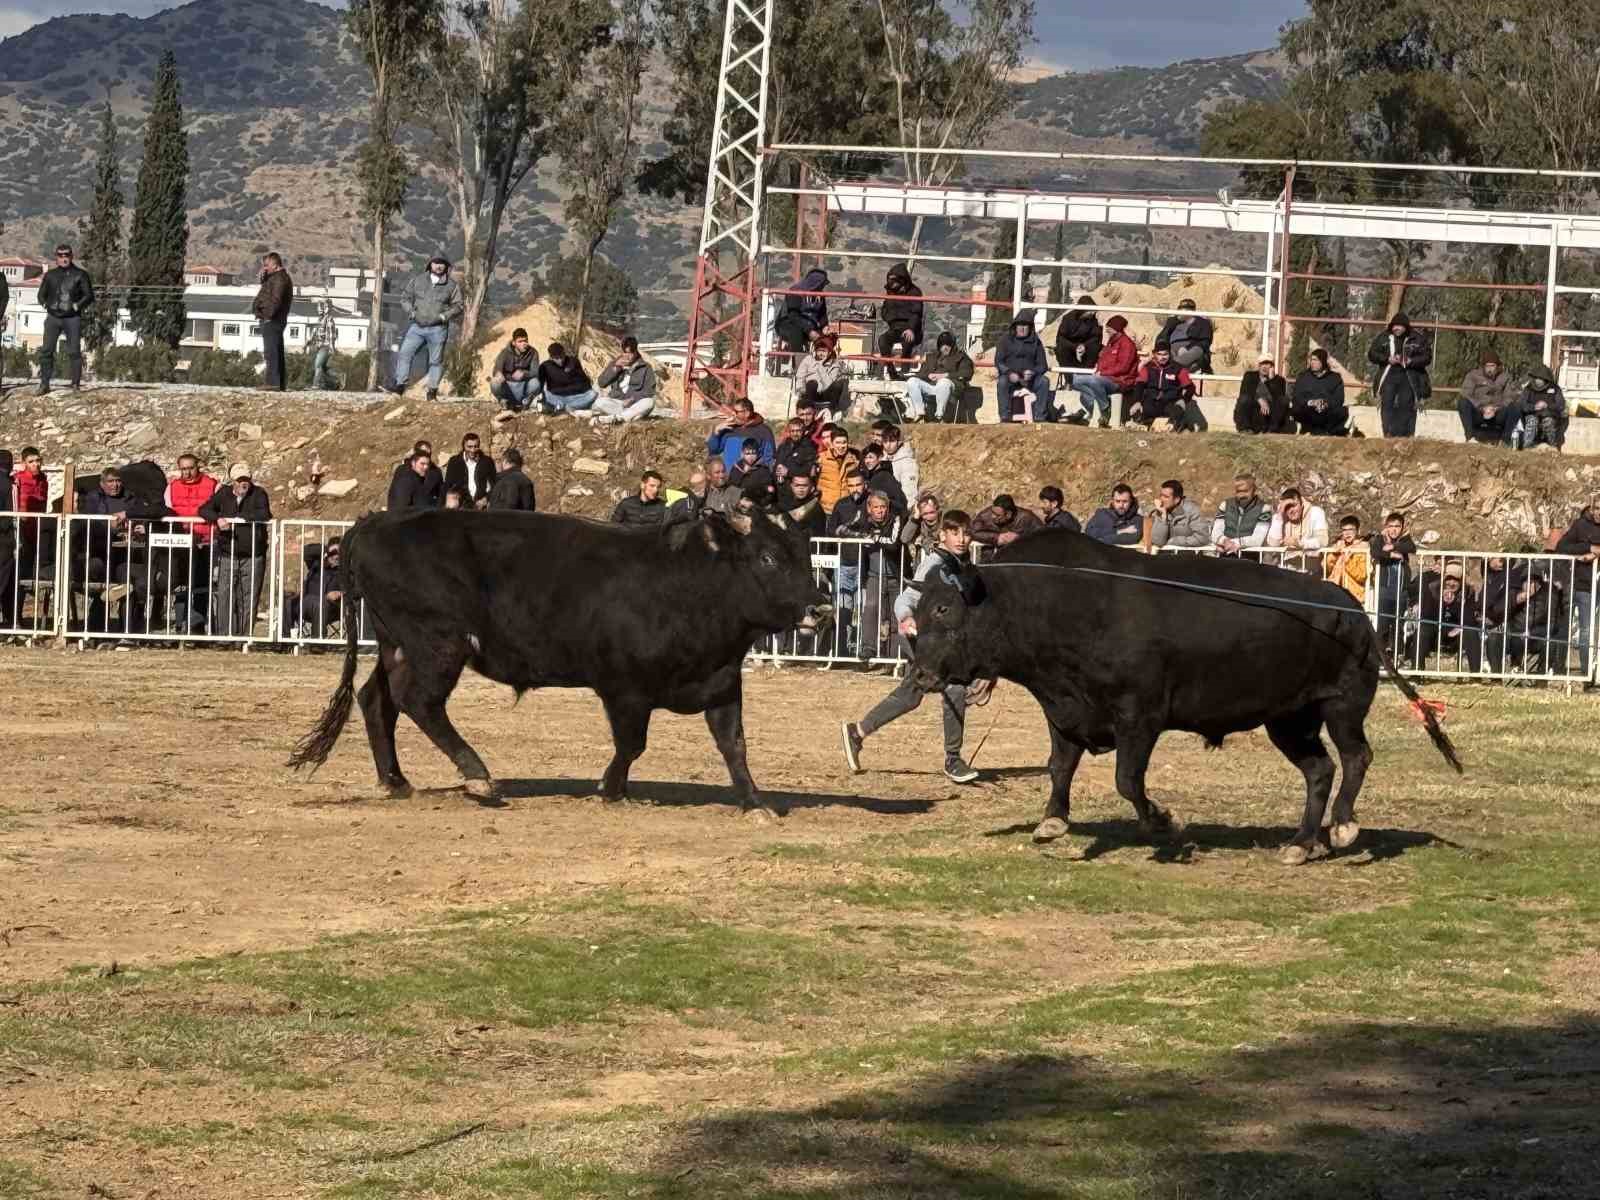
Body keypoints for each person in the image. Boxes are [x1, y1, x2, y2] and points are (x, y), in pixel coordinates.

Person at [840, 509, 985, 785]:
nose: (962, 538)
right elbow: (907, 597)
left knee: (910, 695)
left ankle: (857, 733)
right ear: (942, 534)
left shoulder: (960, 565)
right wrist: (905, 618)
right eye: (955, 532)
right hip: (918, 638)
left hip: (935, 641)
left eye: (966, 533)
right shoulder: (934, 564)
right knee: (954, 687)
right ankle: (953, 759)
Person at [75, 466, 159, 634]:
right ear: (102, 483)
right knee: (102, 576)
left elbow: (143, 514)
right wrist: (109, 526)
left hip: (126, 553)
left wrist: (136, 526)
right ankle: (96, 626)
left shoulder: (131, 498)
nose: (115, 485)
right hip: (98, 551)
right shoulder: (93, 498)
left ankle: (127, 628)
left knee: (127, 580)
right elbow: (85, 522)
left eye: (118, 481)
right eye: (110, 481)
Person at [198, 464, 272, 638]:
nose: (243, 483)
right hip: (227, 554)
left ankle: (244, 637)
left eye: (246, 479)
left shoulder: (259, 493)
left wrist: (240, 519)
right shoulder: (223, 494)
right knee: (225, 595)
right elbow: (204, 509)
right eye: (239, 480)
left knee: (249, 597)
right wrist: (218, 519)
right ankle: (225, 637)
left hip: (253, 555)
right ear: (232, 481)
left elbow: (265, 514)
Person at [838, 490, 905, 657]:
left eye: (883, 507)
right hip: (874, 574)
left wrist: (874, 538)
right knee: (871, 608)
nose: (880, 511)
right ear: (869, 508)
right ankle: (869, 648)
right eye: (876, 507)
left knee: (896, 614)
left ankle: (895, 654)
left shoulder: (895, 519)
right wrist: (863, 534)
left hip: (895, 575)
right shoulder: (862, 517)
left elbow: (893, 543)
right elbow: (840, 530)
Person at [388, 255, 463, 400]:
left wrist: (444, 317)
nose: (439, 266)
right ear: (430, 265)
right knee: (404, 354)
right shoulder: (418, 280)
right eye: (436, 263)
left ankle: (432, 392)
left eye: (442, 264)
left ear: (446, 267)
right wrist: (412, 312)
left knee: (435, 361)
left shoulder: (452, 286)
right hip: (417, 327)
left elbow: (458, 306)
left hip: (438, 329)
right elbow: (405, 298)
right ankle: (399, 387)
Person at [35, 243, 95, 396]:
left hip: (72, 318)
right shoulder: (50, 275)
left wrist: (76, 307)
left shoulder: (80, 274)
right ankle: (44, 384)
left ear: (71, 256)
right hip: (53, 318)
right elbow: (41, 294)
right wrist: (45, 304)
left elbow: (89, 295)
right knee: (47, 350)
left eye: (66, 255)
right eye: (60, 255)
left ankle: (75, 385)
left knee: (74, 351)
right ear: (56, 257)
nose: (64, 258)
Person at [1553, 495, 1600, 680]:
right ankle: (1573, 671)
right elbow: (1562, 547)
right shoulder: (1580, 525)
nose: (1598, 513)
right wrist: (1588, 548)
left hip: (1592, 584)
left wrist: (1596, 553)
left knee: (1589, 630)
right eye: (1596, 508)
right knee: (1575, 629)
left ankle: (1590, 672)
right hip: (1578, 583)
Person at [1405, 562, 1481, 673]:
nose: (1451, 583)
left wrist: (1454, 604)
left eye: (1455, 580)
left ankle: (1475, 675)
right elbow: (1426, 616)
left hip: (1457, 632)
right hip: (1435, 629)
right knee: (1422, 630)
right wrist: (1443, 603)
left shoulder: (1468, 592)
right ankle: (1417, 672)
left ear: (1461, 581)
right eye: (1448, 579)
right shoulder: (1433, 588)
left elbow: (1469, 619)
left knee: (1471, 632)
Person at [1367, 312, 1432, 438]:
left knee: (1406, 404)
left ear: (1406, 327)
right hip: (1389, 374)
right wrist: (1387, 359)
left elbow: (1427, 357)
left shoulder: (1417, 338)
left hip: (1409, 375)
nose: (1396, 328)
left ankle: (1405, 434)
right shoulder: (1384, 337)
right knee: (1387, 403)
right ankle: (1388, 433)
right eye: (1394, 326)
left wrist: (1410, 361)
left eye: (1399, 326)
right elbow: (1372, 354)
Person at [1068, 314, 1139, 428]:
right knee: (1076, 380)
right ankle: (1104, 402)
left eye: (1109, 329)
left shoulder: (1127, 344)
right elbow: (1102, 360)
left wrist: (1103, 373)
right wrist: (1099, 370)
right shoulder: (1111, 343)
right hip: (1105, 378)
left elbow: (1123, 367)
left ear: (1117, 330)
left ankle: (1105, 409)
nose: (1107, 331)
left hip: (1120, 381)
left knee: (1094, 381)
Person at [1368, 512, 1416, 656]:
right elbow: (1375, 552)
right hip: (1384, 590)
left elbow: (1411, 548)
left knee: (1398, 625)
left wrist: (1394, 546)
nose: (1394, 529)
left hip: (1400, 591)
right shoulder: (1379, 539)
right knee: (1382, 624)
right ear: (1386, 527)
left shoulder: (1405, 539)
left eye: (1397, 526)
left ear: (1402, 527)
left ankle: (1397, 656)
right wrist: (1391, 554)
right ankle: (1381, 657)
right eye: (1391, 526)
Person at [1125, 343, 1201, 432]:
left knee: (1177, 411)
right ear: (1154, 354)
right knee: (1137, 411)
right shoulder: (1148, 368)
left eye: (1165, 354)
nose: (1162, 357)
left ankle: (1176, 426)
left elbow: (1190, 388)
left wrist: (1184, 400)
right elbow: (1139, 385)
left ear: (1170, 354)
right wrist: (1137, 401)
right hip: (1152, 401)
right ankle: (1145, 424)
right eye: (1159, 354)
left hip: (1170, 402)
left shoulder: (1178, 369)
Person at [994, 311, 1051, 423]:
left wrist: (1033, 372)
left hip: (1030, 379)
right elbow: (999, 361)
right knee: (1002, 382)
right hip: (1011, 378)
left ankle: (1040, 417)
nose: (1022, 328)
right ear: (1015, 326)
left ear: (1030, 327)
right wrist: (1009, 373)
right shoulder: (1005, 340)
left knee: (1044, 381)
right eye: (1020, 325)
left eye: (1025, 325)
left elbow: (1043, 365)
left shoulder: (1036, 342)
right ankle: (1005, 417)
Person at [905, 332, 974, 423]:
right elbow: (920, 374)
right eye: (942, 345)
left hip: (950, 388)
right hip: (931, 386)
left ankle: (939, 416)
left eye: (948, 345)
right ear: (939, 345)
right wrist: (928, 375)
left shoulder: (961, 357)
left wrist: (946, 375)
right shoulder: (931, 357)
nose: (945, 347)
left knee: (943, 382)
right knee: (912, 381)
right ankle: (920, 413)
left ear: (952, 345)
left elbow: (967, 373)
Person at [287, 538, 345, 638]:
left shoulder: (344, 571)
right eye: (333, 553)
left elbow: (354, 587)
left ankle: (317, 643)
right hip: (305, 602)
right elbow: (306, 550)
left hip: (332, 606)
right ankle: (284, 641)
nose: (336, 556)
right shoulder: (317, 564)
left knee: (319, 603)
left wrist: (341, 593)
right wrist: (328, 549)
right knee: (286, 601)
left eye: (339, 554)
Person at [252, 252, 294, 391]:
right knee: (276, 350)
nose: (264, 268)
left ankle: (272, 383)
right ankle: (279, 383)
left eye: (267, 265)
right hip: (273, 319)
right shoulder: (275, 278)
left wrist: (268, 316)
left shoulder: (280, 279)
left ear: (275, 265)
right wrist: (264, 279)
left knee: (271, 352)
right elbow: (268, 293)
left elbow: (276, 300)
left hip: (273, 320)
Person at [591, 336, 657, 425]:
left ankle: (617, 418)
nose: (627, 356)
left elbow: (649, 391)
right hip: (617, 403)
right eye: (625, 353)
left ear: (636, 352)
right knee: (599, 402)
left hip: (635, 404)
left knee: (650, 402)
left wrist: (633, 399)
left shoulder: (646, 367)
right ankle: (626, 417)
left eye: (630, 353)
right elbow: (601, 383)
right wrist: (615, 368)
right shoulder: (615, 363)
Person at [1458, 351, 1519, 445]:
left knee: (1515, 407)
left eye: (1492, 366)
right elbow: (1466, 393)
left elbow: (1510, 396)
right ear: (1483, 366)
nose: (1489, 369)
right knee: (1463, 402)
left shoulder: (1505, 377)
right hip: (1479, 412)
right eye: (1487, 366)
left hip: (1497, 412)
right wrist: (1481, 408)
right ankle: (1469, 437)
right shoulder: (1473, 375)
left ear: (1498, 366)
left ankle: (1505, 440)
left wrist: (1496, 408)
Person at [878, 262, 924, 380]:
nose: (891, 283)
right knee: (882, 340)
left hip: (912, 329)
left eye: (894, 280)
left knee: (907, 340)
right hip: (895, 328)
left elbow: (916, 313)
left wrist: (911, 328)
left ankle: (904, 371)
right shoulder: (890, 292)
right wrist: (891, 319)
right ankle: (892, 372)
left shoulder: (915, 292)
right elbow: (884, 311)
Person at [707, 398, 776, 472]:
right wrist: (716, 433)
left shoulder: (763, 431)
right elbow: (713, 451)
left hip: (751, 479)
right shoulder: (729, 428)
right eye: (733, 410)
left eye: (736, 411)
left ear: (747, 413)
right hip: (729, 479)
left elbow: (769, 459)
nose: (733, 414)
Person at [1291, 349, 1349, 436]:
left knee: (1342, 411)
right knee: (1298, 409)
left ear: (1323, 361)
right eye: (1311, 360)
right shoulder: (1303, 377)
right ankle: (1322, 430)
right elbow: (1296, 397)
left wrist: (1325, 403)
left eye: (1316, 360)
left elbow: (1339, 399)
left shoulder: (1335, 378)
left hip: (1326, 410)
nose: (1312, 363)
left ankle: (1325, 430)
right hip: (1308, 410)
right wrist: (1311, 402)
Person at [1211, 474, 1271, 557]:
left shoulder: (1264, 508)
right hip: (1225, 557)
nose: (1242, 495)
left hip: (1249, 559)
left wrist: (1235, 543)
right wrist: (1224, 541)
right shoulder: (1225, 505)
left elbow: (1258, 538)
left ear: (1254, 490)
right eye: (1238, 491)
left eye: (1245, 491)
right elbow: (1215, 533)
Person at [970, 493, 1044, 560]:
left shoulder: (1027, 517)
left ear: (1008, 514)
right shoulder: (985, 515)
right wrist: (996, 538)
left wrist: (1019, 539)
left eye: (997, 515)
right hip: (989, 561)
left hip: (1017, 563)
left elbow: (1043, 536)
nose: (992, 516)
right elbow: (972, 531)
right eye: (992, 512)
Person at [774, 266, 830, 354]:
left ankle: (822, 363)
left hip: (809, 326)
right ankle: (798, 362)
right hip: (787, 325)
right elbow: (793, 316)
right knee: (796, 331)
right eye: (822, 285)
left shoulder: (820, 295)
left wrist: (825, 326)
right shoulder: (795, 291)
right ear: (816, 284)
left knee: (828, 337)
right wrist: (809, 331)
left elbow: (822, 314)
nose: (822, 287)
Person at [793, 333, 850, 418]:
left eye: (824, 351)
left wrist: (820, 367)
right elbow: (800, 376)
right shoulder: (808, 360)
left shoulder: (835, 364)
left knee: (839, 384)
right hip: (810, 392)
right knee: (812, 382)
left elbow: (829, 384)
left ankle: (831, 412)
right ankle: (810, 411)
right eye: (819, 350)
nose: (821, 353)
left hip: (826, 392)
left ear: (829, 352)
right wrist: (799, 389)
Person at [1266, 488, 1330, 558]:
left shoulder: (1315, 512)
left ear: (1301, 503)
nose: (1291, 510)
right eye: (1287, 507)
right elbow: (1273, 545)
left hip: (1309, 566)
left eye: (1293, 505)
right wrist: (1279, 517)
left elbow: (1323, 541)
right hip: (1285, 566)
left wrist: (1299, 543)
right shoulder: (1279, 516)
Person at [1233, 358, 1292, 434]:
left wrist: (1271, 380)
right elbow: (1245, 392)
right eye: (1262, 364)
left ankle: (1272, 431)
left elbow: (1278, 398)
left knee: (1283, 400)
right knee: (1244, 398)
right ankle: (1245, 429)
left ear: (1272, 367)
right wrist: (1260, 399)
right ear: (1259, 366)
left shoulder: (1280, 380)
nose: (1264, 367)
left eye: (1267, 364)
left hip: (1268, 416)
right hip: (1253, 414)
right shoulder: (1250, 376)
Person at [1053, 296, 1102, 386]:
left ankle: (1084, 379)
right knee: (1061, 349)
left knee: (1095, 348)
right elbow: (1061, 338)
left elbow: (1096, 337)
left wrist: (1084, 346)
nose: (1092, 313)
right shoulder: (1068, 319)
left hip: (1086, 346)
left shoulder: (1093, 320)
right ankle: (1070, 381)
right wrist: (1075, 347)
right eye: (1090, 310)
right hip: (1070, 346)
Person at [491, 328, 541, 412]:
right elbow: (496, 369)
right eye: (520, 341)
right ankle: (504, 402)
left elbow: (535, 372)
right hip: (508, 388)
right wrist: (499, 374)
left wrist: (524, 374)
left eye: (525, 341)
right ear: (514, 343)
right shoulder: (505, 353)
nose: (524, 344)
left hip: (524, 387)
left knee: (535, 383)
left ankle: (525, 404)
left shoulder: (533, 353)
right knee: (494, 382)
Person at [538, 342, 597, 413]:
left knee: (592, 394)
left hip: (575, 397)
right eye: (557, 358)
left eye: (562, 356)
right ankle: (567, 407)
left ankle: (563, 407)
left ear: (564, 353)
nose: (560, 360)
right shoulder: (545, 366)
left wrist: (568, 388)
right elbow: (540, 387)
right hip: (557, 397)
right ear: (551, 357)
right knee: (546, 394)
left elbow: (585, 384)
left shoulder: (573, 362)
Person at [1158, 297, 1213, 373]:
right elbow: (1162, 336)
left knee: (1196, 350)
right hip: (1173, 348)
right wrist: (1176, 321)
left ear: (1193, 310)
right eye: (1182, 309)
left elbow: (1205, 342)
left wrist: (1187, 348)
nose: (1185, 311)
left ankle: (1172, 368)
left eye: (1188, 309)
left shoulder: (1203, 323)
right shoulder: (1172, 321)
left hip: (1193, 348)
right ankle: (1175, 368)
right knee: (1165, 352)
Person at [1518, 364, 1566, 451]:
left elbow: (1561, 405)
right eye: (1536, 378)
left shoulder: (1555, 389)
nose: (1538, 380)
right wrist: (1534, 407)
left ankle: (1553, 446)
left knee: (1548, 421)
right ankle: (1527, 446)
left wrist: (1547, 405)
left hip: (1550, 416)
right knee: (1532, 420)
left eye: (1540, 378)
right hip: (1532, 415)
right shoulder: (1528, 389)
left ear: (1546, 379)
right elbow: (1521, 404)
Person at [444, 432, 497, 510]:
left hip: (481, 506)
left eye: (476, 446)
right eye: (469, 447)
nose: (473, 450)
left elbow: (495, 484)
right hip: (461, 506)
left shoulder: (487, 462)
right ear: (463, 446)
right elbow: (448, 484)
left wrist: (486, 499)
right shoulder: (454, 462)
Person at [1150, 479, 1209, 548]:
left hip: (1188, 555)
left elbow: (1202, 538)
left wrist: (1175, 541)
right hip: (1166, 555)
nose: (1161, 499)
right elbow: (1157, 542)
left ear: (1177, 499)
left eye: (1166, 497)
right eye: (1161, 495)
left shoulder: (1192, 511)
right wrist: (1163, 517)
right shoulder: (1160, 510)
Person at [815, 425, 860, 516]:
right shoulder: (821, 459)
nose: (841, 446)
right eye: (838, 442)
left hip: (846, 509)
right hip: (826, 509)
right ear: (832, 443)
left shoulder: (853, 460)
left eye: (844, 442)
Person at [1322, 516, 1368, 602]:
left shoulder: (1363, 549)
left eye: (1350, 530)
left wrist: (1348, 562)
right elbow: (1326, 568)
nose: (1347, 533)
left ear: (1357, 531)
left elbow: (1362, 575)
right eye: (1344, 530)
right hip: (1336, 592)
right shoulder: (1338, 546)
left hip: (1354, 595)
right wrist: (1334, 555)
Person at [859, 443, 907, 514]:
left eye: (870, 457)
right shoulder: (872, 476)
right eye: (865, 458)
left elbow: (899, 503)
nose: (867, 461)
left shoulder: (884, 477)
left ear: (880, 457)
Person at [776, 472, 826, 538]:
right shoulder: (783, 505)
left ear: (811, 487)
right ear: (791, 485)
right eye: (797, 485)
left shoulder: (816, 509)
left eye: (805, 485)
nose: (801, 489)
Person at [728, 438, 776, 508]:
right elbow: (731, 487)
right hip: (739, 504)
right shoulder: (736, 468)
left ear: (758, 453)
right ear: (742, 454)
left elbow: (769, 491)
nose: (750, 456)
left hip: (758, 505)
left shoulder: (763, 469)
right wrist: (743, 473)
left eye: (753, 453)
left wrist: (758, 504)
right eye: (747, 453)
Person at [387, 447, 438, 511]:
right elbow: (401, 509)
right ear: (413, 463)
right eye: (422, 464)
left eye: (427, 464)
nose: (426, 467)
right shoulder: (406, 480)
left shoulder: (417, 478)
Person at [879, 424, 919, 504]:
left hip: (899, 507)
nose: (888, 445)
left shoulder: (907, 462)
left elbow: (909, 492)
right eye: (885, 441)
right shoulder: (881, 459)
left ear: (899, 441)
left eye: (892, 441)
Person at [773, 418, 820, 485]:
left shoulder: (809, 448)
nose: (795, 434)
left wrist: (789, 472)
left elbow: (810, 471)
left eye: (798, 431)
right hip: (781, 488)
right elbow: (776, 465)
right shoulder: (783, 447)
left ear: (803, 431)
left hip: (798, 488)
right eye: (792, 431)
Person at [488, 447, 536, 511]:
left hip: (505, 520)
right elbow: (530, 508)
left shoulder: (505, 481)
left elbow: (507, 509)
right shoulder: (526, 480)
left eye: (499, 461)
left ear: (505, 461)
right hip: (525, 520)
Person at [308, 298, 339, 390]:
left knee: (318, 364)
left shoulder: (329, 319)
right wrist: (308, 342)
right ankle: (337, 380)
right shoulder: (319, 320)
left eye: (322, 307)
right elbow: (315, 332)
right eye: (318, 307)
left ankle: (316, 385)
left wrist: (332, 347)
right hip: (319, 346)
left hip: (325, 346)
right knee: (323, 367)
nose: (320, 309)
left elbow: (331, 335)